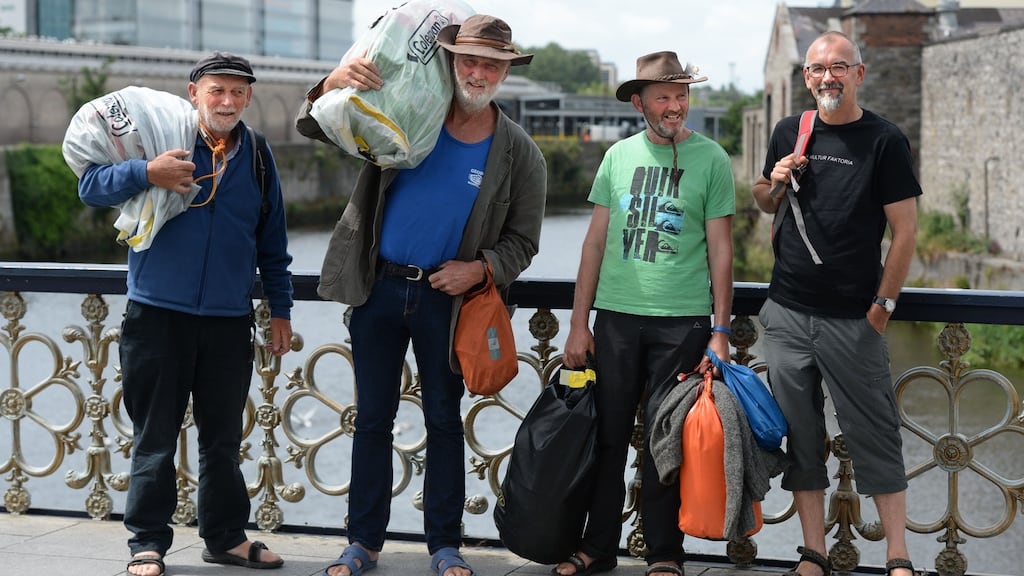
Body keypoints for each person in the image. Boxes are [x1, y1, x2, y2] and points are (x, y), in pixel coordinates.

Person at [295, 14, 547, 576]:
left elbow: (524, 243)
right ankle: (362, 543)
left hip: (448, 303)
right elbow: (312, 127)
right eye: (470, 60)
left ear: (506, 71)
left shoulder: (521, 154)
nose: (478, 72)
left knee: (442, 421)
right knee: (372, 421)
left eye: (491, 64)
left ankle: (444, 546)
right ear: (452, 61)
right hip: (378, 286)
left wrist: (479, 270)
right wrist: (334, 82)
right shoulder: (407, 108)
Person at [77, 52, 294, 576]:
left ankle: (224, 538)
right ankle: (147, 544)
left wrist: (281, 311)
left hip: (227, 319)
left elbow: (273, 244)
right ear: (193, 92)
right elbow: (90, 185)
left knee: (223, 438)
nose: (227, 101)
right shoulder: (160, 139)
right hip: (156, 314)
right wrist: (144, 170)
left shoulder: (259, 156)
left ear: (248, 97)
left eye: (238, 92)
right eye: (217, 90)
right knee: (154, 434)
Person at [751, 31, 921, 576]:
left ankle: (898, 556)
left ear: (859, 74)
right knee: (801, 438)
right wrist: (773, 179)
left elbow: (906, 231)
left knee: (875, 432)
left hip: (854, 320)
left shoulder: (884, 140)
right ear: (806, 77)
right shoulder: (789, 131)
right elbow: (760, 202)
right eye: (819, 69)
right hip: (786, 316)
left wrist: (882, 310)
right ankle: (813, 553)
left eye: (840, 67)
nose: (829, 77)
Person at [559, 51, 735, 576]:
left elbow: (722, 251)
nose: (675, 105)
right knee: (608, 438)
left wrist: (721, 330)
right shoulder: (617, 157)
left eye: (681, 95)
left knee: (666, 439)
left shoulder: (712, 159)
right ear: (639, 102)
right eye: (664, 96)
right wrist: (577, 322)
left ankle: (664, 553)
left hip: (682, 322)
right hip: (615, 318)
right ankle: (596, 548)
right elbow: (593, 244)